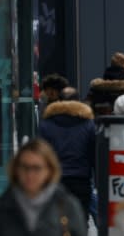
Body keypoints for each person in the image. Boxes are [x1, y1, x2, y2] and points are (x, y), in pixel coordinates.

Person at [38, 93, 96, 221]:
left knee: (55, 219)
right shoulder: (88, 124)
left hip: (54, 179)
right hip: (81, 178)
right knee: (80, 218)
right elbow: (94, 155)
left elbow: (41, 153)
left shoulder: (46, 124)